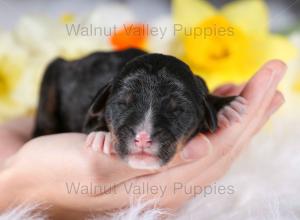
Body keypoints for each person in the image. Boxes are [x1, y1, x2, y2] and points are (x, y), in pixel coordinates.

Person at [0, 60, 286, 219]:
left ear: (201, 109)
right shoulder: (97, 100)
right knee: (56, 74)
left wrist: (219, 105)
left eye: (178, 110)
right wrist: (16, 182)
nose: (143, 136)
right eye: (124, 105)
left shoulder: (193, 100)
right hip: (88, 74)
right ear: (105, 102)